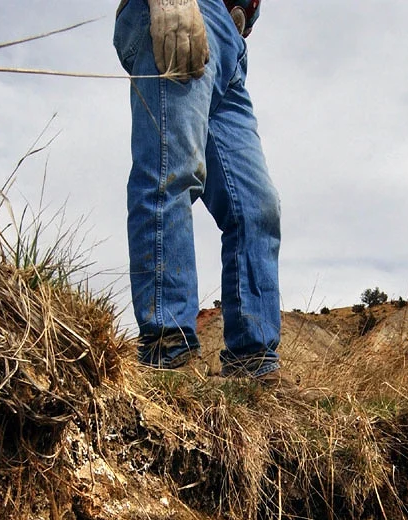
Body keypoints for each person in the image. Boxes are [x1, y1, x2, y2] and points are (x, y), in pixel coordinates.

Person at [113, 0, 282, 381]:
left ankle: (253, 363)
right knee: (170, 172)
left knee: (257, 208)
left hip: (229, 42)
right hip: (188, 8)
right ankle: (167, 350)